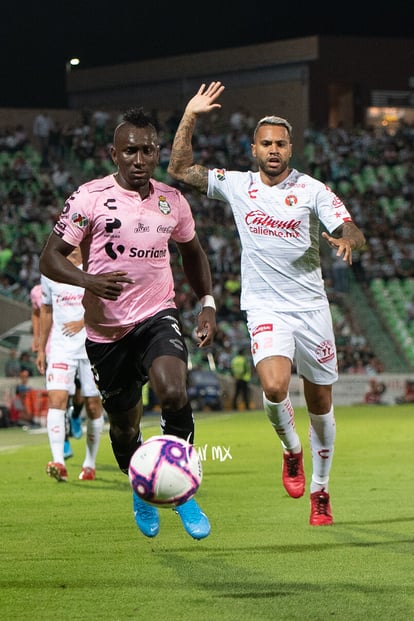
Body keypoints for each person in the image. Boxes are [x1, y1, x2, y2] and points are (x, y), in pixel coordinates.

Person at [167, 81, 366, 526]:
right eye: (266, 143)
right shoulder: (237, 186)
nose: (273, 150)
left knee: (321, 409)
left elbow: (353, 228)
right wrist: (190, 114)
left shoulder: (313, 190)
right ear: (253, 149)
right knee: (274, 388)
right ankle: (291, 451)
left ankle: (321, 490)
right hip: (266, 309)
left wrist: (347, 241)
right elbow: (180, 168)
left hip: (311, 309)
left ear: (291, 149)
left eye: (280, 143)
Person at [39, 107, 217, 540]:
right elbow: (50, 257)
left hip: (157, 315)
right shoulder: (89, 198)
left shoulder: (171, 201)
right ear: (113, 154)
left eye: (147, 151)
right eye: (130, 151)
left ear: (157, 153)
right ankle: (141, 487)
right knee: (124, 426)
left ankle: (181, 491)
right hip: (105, 333)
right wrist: (89, 281)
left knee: (174, 393)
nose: (139, 159)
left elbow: (191, 253)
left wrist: (207, 302)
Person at [36, 247, 104, 482]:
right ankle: (58, 462)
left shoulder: (94, 267)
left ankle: (89, 463)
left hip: (91, 346)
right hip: (60, 348)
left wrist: (83, 321)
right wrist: (41, 348)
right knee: (56, 400)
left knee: (94, 406)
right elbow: (45, 309)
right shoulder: (50, 271)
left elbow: (107, 304)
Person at [30, 282, 75, 459]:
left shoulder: (76, 282)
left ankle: (76, 414)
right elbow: (36, 312)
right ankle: (63, 441)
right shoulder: (37, 291)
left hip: (77, 345)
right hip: (54, 348)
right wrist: (37, 338)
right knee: (58, 396)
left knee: (77, 394)